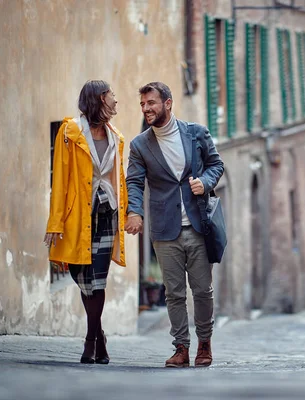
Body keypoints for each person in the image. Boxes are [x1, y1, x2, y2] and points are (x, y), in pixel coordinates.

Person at [125, 82, 224, 368]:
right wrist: (134, 211)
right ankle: (181, 347)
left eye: (151, 103)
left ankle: (204, 342)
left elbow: (216, 165)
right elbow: (133, 181)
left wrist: (204, 183)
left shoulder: (196, 133)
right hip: (164, 229)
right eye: (143, 104)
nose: (146, 109)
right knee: (174, 292)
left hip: (196, 225)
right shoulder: (140, 145)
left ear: (168, 103)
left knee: (203, 290)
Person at [44, 80, 127, 364]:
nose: (116, 100)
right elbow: (60, 180)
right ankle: (100, 336)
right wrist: (55, 224)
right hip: (78, 216)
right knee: (82, 278)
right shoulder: (70, 132)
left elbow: (120, 179)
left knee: (98, 281)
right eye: (112, 96)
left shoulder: (116, 136)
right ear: (99, 99)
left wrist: (127, 213)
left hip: (107, 215)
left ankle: (90, 340)